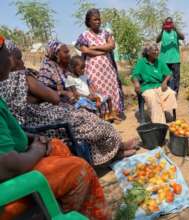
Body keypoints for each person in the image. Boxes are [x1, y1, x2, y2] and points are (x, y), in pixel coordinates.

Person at [0, 38, 109, 220]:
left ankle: (60, 208)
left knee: (57, 145)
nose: (14, 60)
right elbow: (6, 166)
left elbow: (10, 129)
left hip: (23, 145)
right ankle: (77, 213)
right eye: (9, 54)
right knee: (80, 169)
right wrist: (36, 149)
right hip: (10, 185)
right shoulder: (24, 77)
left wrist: (31, 138)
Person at [0, 37, 137, 166]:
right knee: (90, 120)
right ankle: (117, 150)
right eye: (19, 58)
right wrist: (57, 94)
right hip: (43, 122)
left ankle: (116, 150)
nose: (22, 62)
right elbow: (53, 97)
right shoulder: (21, 77)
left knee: (85, 115)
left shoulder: (3, 83)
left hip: (29, 125)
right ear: (9, 58)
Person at [75, 8, 125, 120]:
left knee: (112, 89)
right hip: (93, 71)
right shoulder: (84, 35)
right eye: (95, 19)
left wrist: (95, 47)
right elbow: (86, 51)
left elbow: (112, 46)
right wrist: (104, 50)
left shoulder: (106, 33)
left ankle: (113, 114)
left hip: (108, 69)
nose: (98, 21)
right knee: (97, 91)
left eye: (99, 19)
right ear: (88, 21)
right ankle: (102, 116)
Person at [132, 42, 177, 124]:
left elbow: (168, 73)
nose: (157, 52)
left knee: (171, 93)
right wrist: (136, 83)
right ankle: (159, 122)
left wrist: (165, 81)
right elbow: (135, 75)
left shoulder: (160, 61)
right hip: (147, 87)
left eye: (157, 50)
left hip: (159, 86)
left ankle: (163, 112)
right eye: (154, 50)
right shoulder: (141, 62)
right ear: (148, 52)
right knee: (153, 98)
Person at [66, 55, 120, 121]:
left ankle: (110, 114)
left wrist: (93, 94)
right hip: (82, 98)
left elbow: (88, 87)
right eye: (81, 68)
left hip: (90, 96)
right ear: (73, 68)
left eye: (84, 68)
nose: (83, 70)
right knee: (91, 105)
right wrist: (87, 96)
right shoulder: (70, 79)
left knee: (108, 97)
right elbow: (75, 93)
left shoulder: (83, 76)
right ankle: (99, 120)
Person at [38, 40, 76, 104]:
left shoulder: (65, 67)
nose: (69, 55)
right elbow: (43, 93)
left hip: (68, 101)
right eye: (65, 52)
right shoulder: (47, 68)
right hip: (53, 104)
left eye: (68, 52)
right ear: (56, 54)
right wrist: (63, 93)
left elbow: (73, 87)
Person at [156, 17, 185, 95]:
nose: (168, 25)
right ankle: (165, 93)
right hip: (164, 60)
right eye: (167, 23)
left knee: (176, 78)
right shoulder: (163, 33)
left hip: (175, 60)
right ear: (165, 24)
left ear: (172, 23)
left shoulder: (175, 32)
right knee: (164, 77)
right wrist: (162, 30)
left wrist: (176, 29)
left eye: (170, 23)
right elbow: (157, 40)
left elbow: (183, 37)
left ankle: (175, 94)